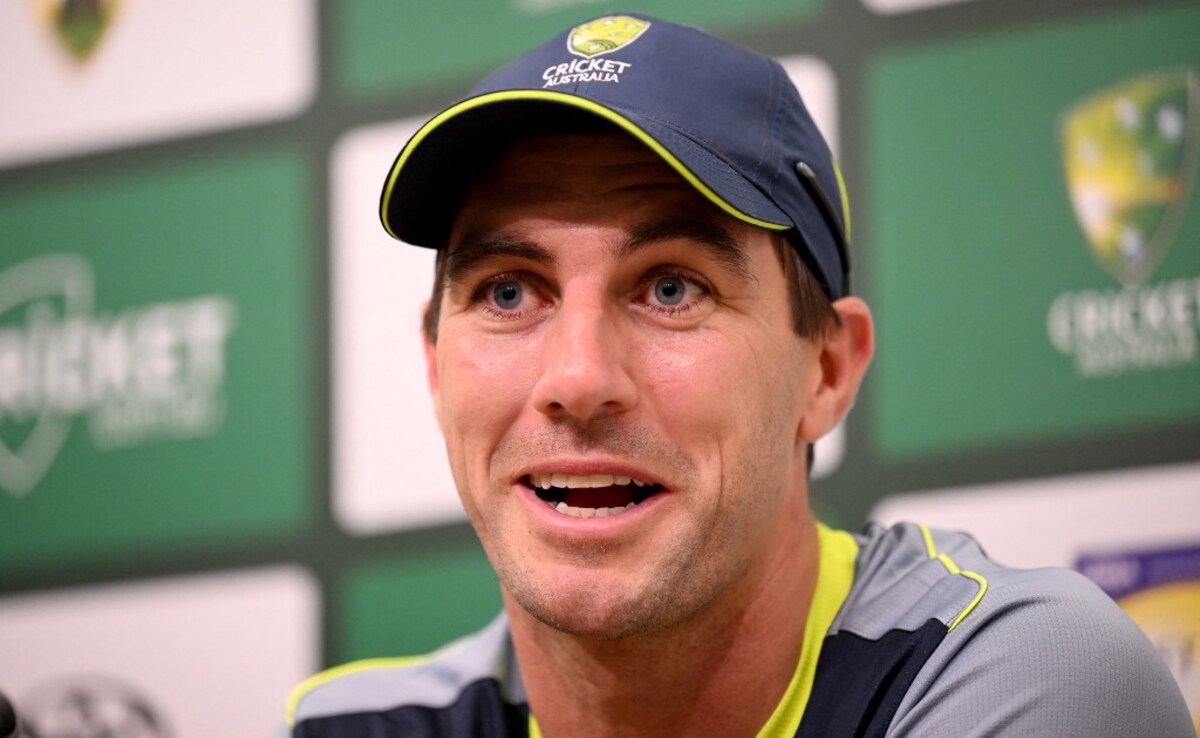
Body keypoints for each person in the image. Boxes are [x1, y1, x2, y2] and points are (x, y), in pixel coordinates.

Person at [280, 13, 1194, 737]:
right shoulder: (356, 726)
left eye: (671, 289)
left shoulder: (1024, 677)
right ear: (435, 364)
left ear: (827, 370)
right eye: (509, 292)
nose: (578, 376)